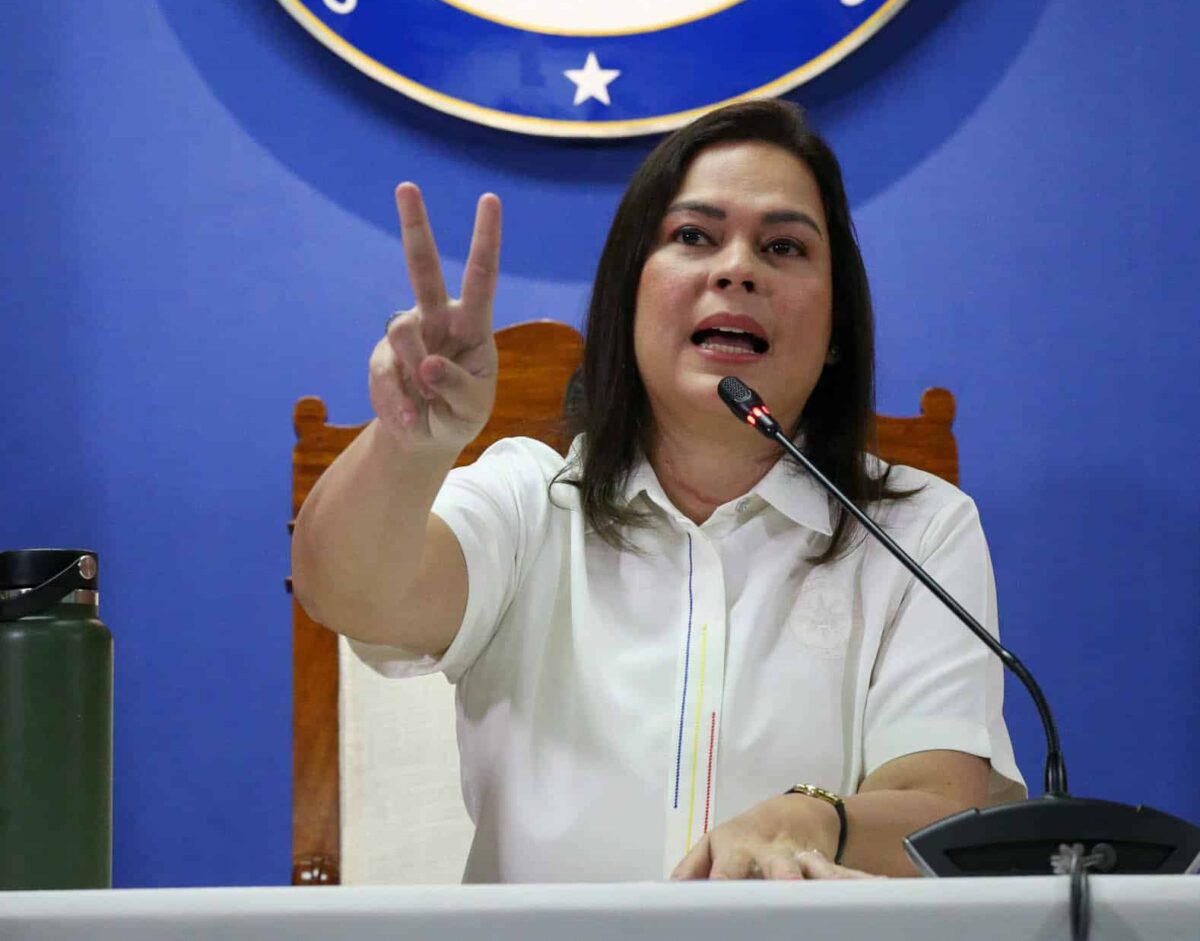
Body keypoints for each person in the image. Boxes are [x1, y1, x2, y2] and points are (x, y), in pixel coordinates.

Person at [291, 99, 1024, 884]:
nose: (736, 268)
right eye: (693, 237)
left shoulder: (914, 530)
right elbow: (348, 592)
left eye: (783, 246)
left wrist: (814, 815)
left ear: (838, 324)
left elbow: (940, 808)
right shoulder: (532, 501)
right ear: (629, 298)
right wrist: (409, 444)